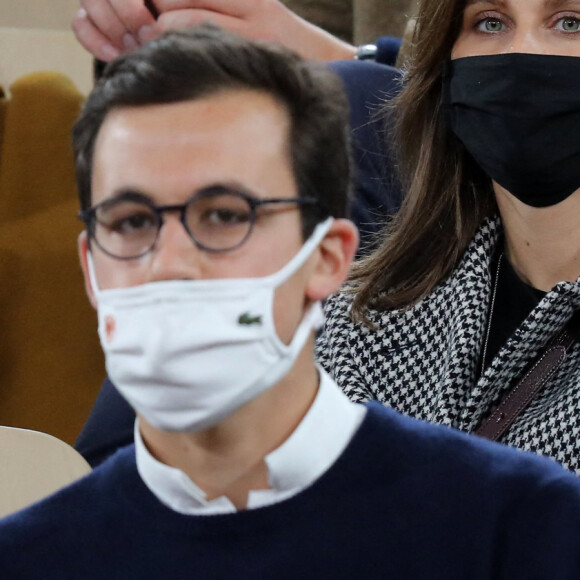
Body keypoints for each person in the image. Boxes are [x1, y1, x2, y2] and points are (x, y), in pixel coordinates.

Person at [2, 25, 580, 578]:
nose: (170, 261)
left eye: (225, 215)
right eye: (130, 222)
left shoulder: (525, 525)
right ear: (89, 264)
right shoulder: (29, 557)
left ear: (325, 256)